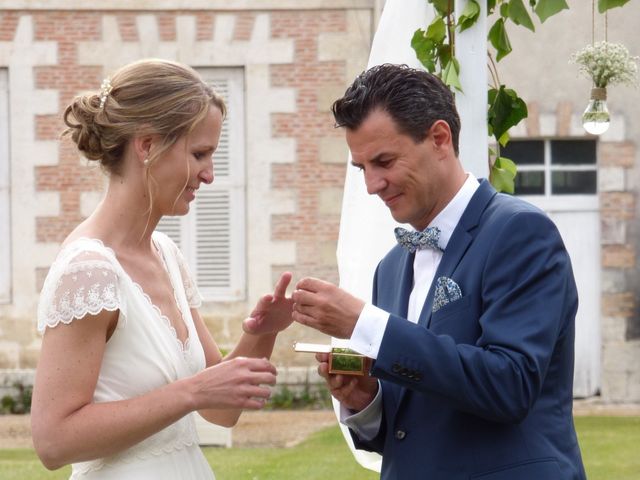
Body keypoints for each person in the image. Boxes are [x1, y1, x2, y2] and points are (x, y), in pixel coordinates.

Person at [291, 64, 586, 479]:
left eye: (384, 161)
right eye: (362, 169)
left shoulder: (519, 231)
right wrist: (367, 402)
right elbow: (411, 422)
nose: (372, 185)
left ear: (439, 139)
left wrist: (366, 323)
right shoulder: (390, 268)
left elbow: (510, 386)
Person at [31, 58, 293, 480]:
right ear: (147, 145)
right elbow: (53, 441)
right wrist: (189, 392)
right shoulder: (88, 271)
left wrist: (262, 333)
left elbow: (219, 410)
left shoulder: (167, 256)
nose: (209, 175)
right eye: (199, 154)